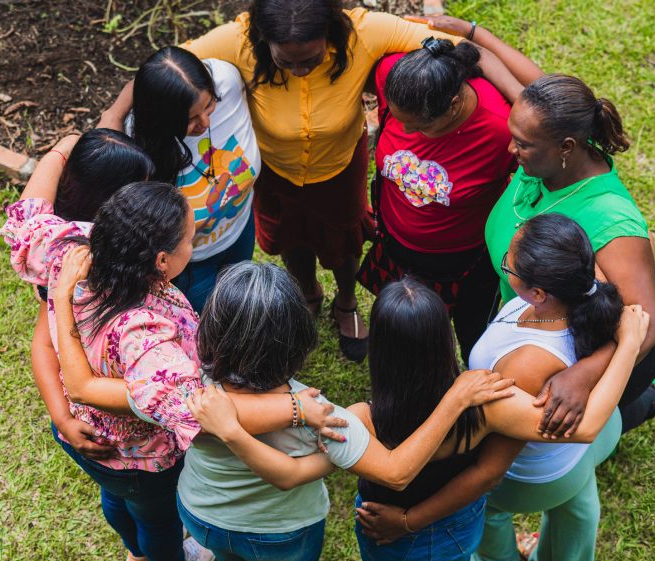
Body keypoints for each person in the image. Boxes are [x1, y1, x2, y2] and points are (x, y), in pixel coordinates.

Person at [188, 247, 648, 561]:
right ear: (442, 336)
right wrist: (624, 344)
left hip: (384, 532)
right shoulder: (484, 400)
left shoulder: (363, 417)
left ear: (380, 349)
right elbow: (582, 428)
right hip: (457, 524)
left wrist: (406, 521)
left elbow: (388, 470)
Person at [52, 258, 515, 561]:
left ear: (210, 327)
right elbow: (394, 472)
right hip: (282, 534)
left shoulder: (176, 386)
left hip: (203, 517)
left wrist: (60, 302)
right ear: (299, 339)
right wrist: (454, 400)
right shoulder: (326, 413)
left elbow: (83, 385)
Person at [3, 181, 346, 561]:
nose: (194, 243)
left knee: (113, 496)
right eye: (191, 238)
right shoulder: (145, 340)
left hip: (81, 435)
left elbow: (30, 211)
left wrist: (62, 149)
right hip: (139, 456)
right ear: (162, 260)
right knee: (156, 515)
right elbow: (204, 409)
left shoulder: (70, 252)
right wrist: (295, 408)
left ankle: (136, 557)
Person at [355, 214, 649, 561]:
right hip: (580, 451)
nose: (504, 261)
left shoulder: (525, 367)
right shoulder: (587, 286)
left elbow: (487, 473)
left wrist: (410, 520)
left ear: (540, 292)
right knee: (576, 496)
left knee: (489, 512)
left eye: (509, 262)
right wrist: (618, 345)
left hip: (540, 468)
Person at [180, 0, 466, 361]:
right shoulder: (237, 39)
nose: (299, 71)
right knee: (289, 237)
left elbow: (449, 45)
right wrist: (114, 117)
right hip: (274, 172)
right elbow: (173, 63)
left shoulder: (363, 32)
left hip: (339, 168)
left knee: (343, 241)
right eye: (286, 62)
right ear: (263, 39)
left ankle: (346, 303)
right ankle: (308, 294)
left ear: (330, 32)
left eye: (311, 59)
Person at [486, 74, 655, 435]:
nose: (512, 149)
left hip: (594, 344)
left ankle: (643, 402)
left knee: (562, 428)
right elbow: (526, 90)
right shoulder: (545, 152)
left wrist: (583, 376)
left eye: (522, 144)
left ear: (566, 147)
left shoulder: (610, 218)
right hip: (534, 319)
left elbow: (645, 325)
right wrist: (473, 35)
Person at [355, 35, 518, 362]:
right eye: (398, 119)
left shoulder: (502, 130)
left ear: (454, 105)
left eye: (418, 127)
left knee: (475, 337)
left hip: (464, 262)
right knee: (408, 333)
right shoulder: (399, 74)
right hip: (396, 245)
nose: (404, 130)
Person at [24, 129, 155, 464]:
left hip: (79, 423)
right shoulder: (114, 264)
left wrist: (64, 146)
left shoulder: (53, 250)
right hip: (129, 442)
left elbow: (29, 210)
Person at [99, 46, 261, 313]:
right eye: (190, 120)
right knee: (208, 328)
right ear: (162, 120)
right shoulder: (137, 147)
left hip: (240, 230)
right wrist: (113, 116)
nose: (206, 123)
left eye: (209, 106)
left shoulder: (226, 79)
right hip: (191, 264)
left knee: (240, 307)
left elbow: (170, 66)